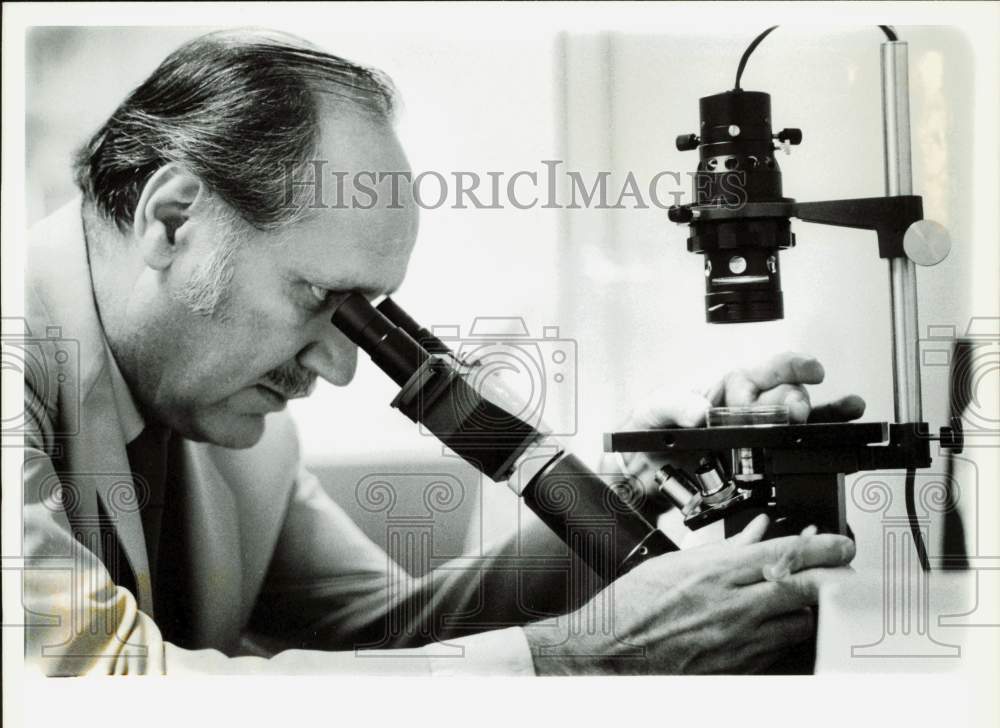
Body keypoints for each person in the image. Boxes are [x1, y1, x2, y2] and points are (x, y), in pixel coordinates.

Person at [22, 29, 862, 676]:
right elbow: (102, 690)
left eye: (366, 320)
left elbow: (396, 639)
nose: (342, 367)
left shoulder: (241, 431)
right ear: (174, 220)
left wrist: (641, 484)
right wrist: (583, 660)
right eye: (321, 300)